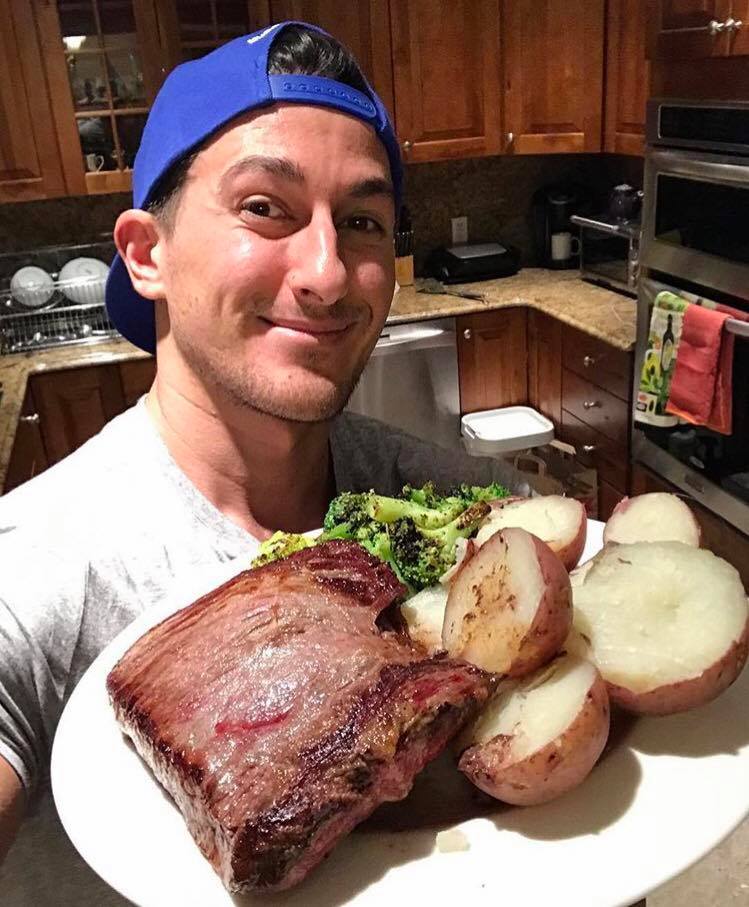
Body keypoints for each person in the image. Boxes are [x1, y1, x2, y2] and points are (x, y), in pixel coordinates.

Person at [0, 22, 525, 904]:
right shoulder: (41, 567)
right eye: (263, 208)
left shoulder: (472, 516)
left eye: (360, 221)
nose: (327, 273)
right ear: (146, 254)